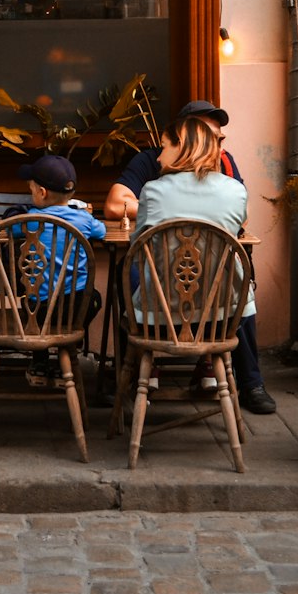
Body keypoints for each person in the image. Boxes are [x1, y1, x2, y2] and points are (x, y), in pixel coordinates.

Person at [105, 99, 277, 414]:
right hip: (220, 315)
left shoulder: (153, 192)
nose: (160, 154)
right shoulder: (234, 191)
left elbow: (139, 244)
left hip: (159, 310)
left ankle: (156, 367)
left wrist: (166, 217)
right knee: (237, 279)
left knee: (133, 271)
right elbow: (240, 221)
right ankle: (226, 373)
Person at [13, 153, 106, 382]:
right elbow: (102, 232)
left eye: (31, 189)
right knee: (94, 298)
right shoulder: (84, 221)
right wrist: (85, 215)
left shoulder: (32, 219)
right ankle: (70, 341)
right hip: (76, 307)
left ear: (42, 193)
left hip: (39, 309)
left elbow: (10, 230)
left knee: (30, 298)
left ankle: (39, 362)